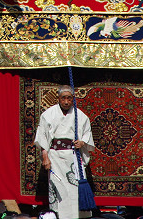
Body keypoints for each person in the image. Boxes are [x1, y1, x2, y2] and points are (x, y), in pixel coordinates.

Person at [35, 86, 96, 219]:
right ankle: (58, 216)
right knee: (58, 189)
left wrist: (82, 142)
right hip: (55, 157)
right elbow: (43, 138)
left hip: (73, 157)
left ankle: (77, 216)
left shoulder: (80, 116)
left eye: (69, 98)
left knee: (74, 191)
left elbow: (87, 134)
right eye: (64, 98)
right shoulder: (48, 115)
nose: (66, 102)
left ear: (73, 99)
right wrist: (45, 157)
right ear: (59, 98)